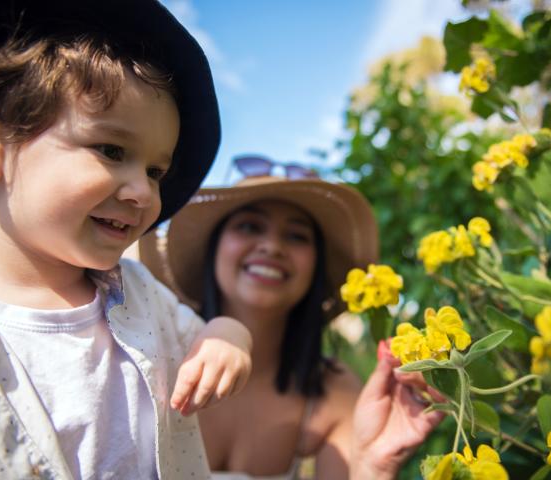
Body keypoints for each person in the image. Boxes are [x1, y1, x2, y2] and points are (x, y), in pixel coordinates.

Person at [0, 1, 253, 478]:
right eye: (111, 150)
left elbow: (208, 333)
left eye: (156, 171)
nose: (143, 191)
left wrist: (229, 338)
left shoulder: (140, 296)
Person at [135, 168, 444, 479]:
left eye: (297, 235)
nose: (271, 246)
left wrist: (375, 466)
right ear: (213, 248)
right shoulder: (149, 357)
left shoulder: (333, 389)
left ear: (317, 268)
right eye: (249, 226)